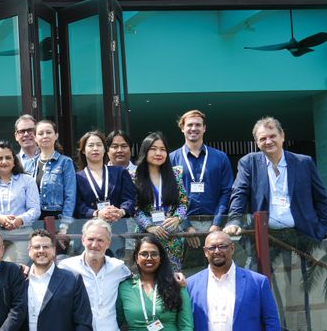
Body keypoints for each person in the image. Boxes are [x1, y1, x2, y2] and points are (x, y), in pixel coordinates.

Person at [225, 116, 327, 242]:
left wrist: (321, 229)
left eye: (272, 136)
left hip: (303, 236)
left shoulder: (304, 162)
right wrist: (234, 220)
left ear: (282, 136)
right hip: (264, 238)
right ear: (257, 143)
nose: (268, 141)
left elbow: (321, 199)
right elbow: (239, 194)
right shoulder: (249, 163)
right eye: (263, 138)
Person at [169, 110, 233, 232]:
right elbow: (169, 195)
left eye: (198, 125)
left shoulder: (220, 158)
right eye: (189, 125)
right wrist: (186, 226)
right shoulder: (171, 159)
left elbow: (227, 192)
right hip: (182, 226)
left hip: (215, 224)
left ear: (204, 128)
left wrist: (217, 223)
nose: (194, 128)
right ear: (182, 128)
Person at [133, 132, 189, 263]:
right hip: (145, 236)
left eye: (162, 149)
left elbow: (184, 202)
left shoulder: (175, 174)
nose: (158, 153)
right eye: (153, 149)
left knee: (172, 277)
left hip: (171, 235)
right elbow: (133, 207)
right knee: (147, 274)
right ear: (145, 151)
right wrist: (149, 226)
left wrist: (178, 218)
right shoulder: (133, 176)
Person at [23, 119, 76, 237]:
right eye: (41, 133)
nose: (45, 136)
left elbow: (70, 195)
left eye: (49, 132)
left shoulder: (65, 162)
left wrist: (64, 225)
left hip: (56, 219)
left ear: (56, 135)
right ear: (35, 138)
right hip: (33, 220)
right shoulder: (28, 164)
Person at [74, 131, 136, 223]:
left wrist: (121, 211)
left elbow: (129, 199)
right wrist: (96, 213)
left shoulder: (120, 172)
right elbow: (77, 205)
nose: (95, 148)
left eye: (99, 145)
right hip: (90, 228)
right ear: (83, 150)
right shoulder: (77, 177)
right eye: (91, 145)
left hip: (119, 225)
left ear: (104, 149)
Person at [0, 141, 40, 233]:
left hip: (23, 233)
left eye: (8, 158)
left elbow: (35, 209)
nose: (4, 161)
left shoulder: (27, 180)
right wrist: (0, 219)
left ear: (14, 161)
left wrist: (20, 219)